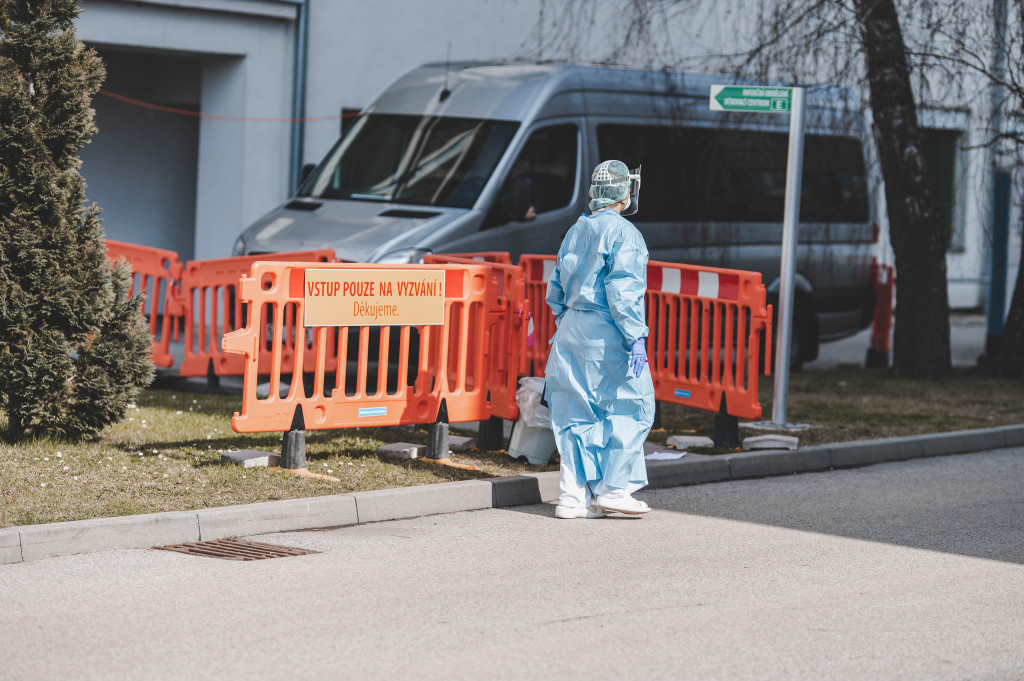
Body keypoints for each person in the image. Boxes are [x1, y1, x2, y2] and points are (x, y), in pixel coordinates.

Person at [545, 160, 654, 518]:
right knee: (630, 408)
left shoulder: (576, 230)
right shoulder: (625, 234)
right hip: (609, 336)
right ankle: (614, 489)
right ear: (625, 191)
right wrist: (636, 337)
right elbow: (623, 293)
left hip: (571, 332)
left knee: (574, 416)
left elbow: (556, 288)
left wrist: (569, 322)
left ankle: (571, 500)